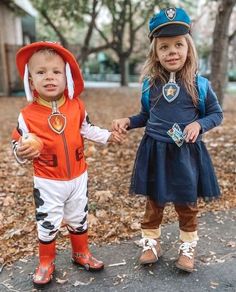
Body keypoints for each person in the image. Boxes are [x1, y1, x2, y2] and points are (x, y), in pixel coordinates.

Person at [112, 7, 223, 273]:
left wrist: (199, 123)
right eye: (164, 47)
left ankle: (187, 246)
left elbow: (216, 114)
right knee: (155, 201)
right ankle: (151, 242)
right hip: (155, 151)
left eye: (178, 45)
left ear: (189, 47)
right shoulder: (150, 85)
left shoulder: (201, 84)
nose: (172, 51)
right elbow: (145, 115)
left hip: (186, 153)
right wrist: (128, 121)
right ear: (155, 52)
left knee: (187, 203)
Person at [11, 41, 124, 288]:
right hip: (48, 179)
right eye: (40, 72)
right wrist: (23, 150)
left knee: (78, 215)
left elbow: (87, 129)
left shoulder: (76, 106)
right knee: (48, 219)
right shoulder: (27, 115)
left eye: (56, 72)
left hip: (77, 175)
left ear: (67, 77)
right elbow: (16, 142)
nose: (49, 77)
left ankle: (80, 252)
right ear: (31, 81)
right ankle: (46, 261)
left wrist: (107, 136)